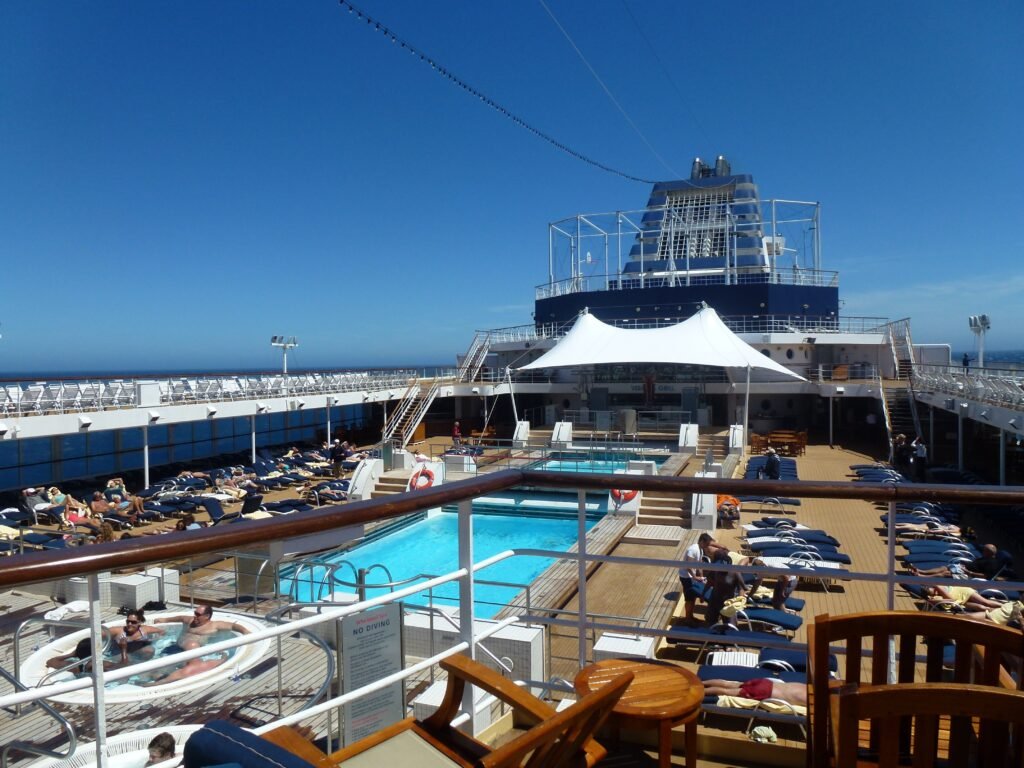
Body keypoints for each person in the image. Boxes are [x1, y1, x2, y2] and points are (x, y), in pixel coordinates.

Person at [154, 604, 250, 646]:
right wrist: (164, 619)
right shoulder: (191, 620)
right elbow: (180, 617)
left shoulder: (214, 625)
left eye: (198, 614)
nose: (195, 616)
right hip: (176, 647)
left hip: (193, 653)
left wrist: (245, 631)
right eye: (195, 613)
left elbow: (233, 626)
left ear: (207, 616)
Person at [678, 533, 714, 624]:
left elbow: (699, 564)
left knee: (693, 597)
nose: (707, 546)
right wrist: (694, 577)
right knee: (689, 598)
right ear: (702, 541)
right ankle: (687, 619)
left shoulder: (700, 549)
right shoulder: (693, 549)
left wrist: (701, 576)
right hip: (686, 577)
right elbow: (689, 565)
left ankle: (690, 616)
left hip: (691, 577)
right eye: (706, 544)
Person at [702, 678, 809, 707]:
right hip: (765, 691)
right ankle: (700, 691)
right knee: (725, 691)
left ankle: (701, 683)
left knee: (728, 684)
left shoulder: (808, 687)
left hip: (766, 682)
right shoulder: (809, 698)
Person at [925, 584, 1006, 610]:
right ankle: (997, 611)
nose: (935, 592)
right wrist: (933, 600)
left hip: (964, 592)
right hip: (960, 601)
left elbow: (952, 600)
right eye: (933, 593)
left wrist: (937, 588)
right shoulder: (935, 596)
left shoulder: (939, 587)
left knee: (985, 602)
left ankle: (1005, 607)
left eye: (933, 589)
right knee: (980, 607)